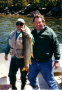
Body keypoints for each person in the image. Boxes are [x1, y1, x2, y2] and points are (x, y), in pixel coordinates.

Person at [28, 14, 60, 90]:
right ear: (34, 23)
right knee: (31, 77)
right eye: (35, 22)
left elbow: (56, 45)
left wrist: (57, 60)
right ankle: (35, 87)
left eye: (39, 22)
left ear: (43, 22)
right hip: (33, 62)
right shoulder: (32, 33)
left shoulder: (50, 32)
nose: (38, 24)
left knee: (51, 82)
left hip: (46, 63)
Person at [4, 18, 32, 90]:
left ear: (24, 25)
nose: (19, 25)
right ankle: (13, 87)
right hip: (14, 58)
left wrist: (28, 34)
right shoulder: (12, 33)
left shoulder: (27, 33)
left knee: (23, 75)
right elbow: (8, 44)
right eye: (17, 24)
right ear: (16, 25)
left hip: (23, 58)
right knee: (11, 74)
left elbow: (33, 41)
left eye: (21, 24)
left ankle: (23, 87)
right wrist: (6, 53)